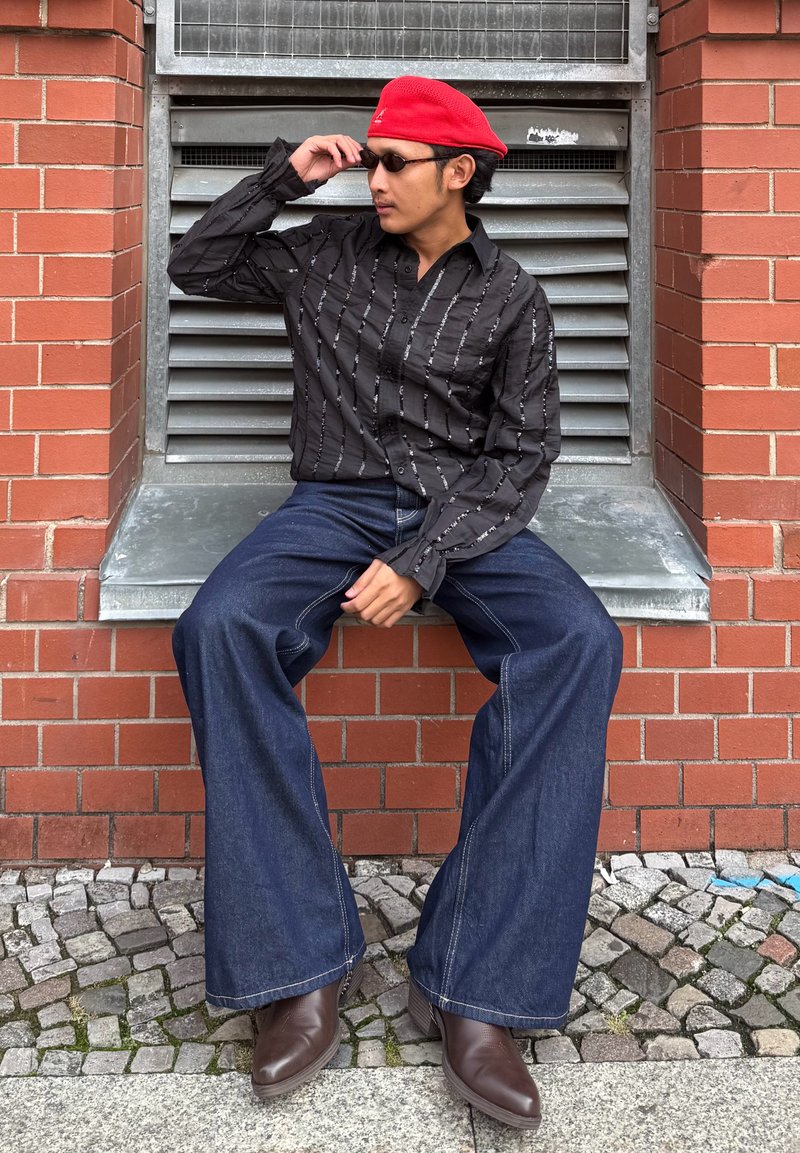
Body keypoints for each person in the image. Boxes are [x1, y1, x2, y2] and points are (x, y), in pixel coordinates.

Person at [168, 75, 622, 1130]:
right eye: (368, 159)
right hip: (329, 506)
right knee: (220, 627)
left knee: (577, 641)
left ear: (458, 173)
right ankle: (300, 961)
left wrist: (425, 556)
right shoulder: (321, 253)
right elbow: (197, 265)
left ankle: (473, 984)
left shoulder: (510, 295)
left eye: (392, 162)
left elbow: (520, 458)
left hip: (463, 517)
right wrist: (288, 173)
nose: (372, 178)